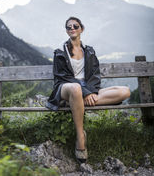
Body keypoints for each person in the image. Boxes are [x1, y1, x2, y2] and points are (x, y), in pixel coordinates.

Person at [46, 16, 130, 163]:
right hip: (66, 87)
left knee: (125, 91)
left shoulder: (89, 51)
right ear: (66, 31)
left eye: (75, 26)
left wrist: (90, 91)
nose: (72, 28)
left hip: (87, 89)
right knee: (76, 88)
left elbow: (95, 75)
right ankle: (80, 137)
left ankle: (76, 103)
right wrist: (85, 92)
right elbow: (62, 76)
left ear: (81, 29)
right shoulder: (60, 52)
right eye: (69, 27)